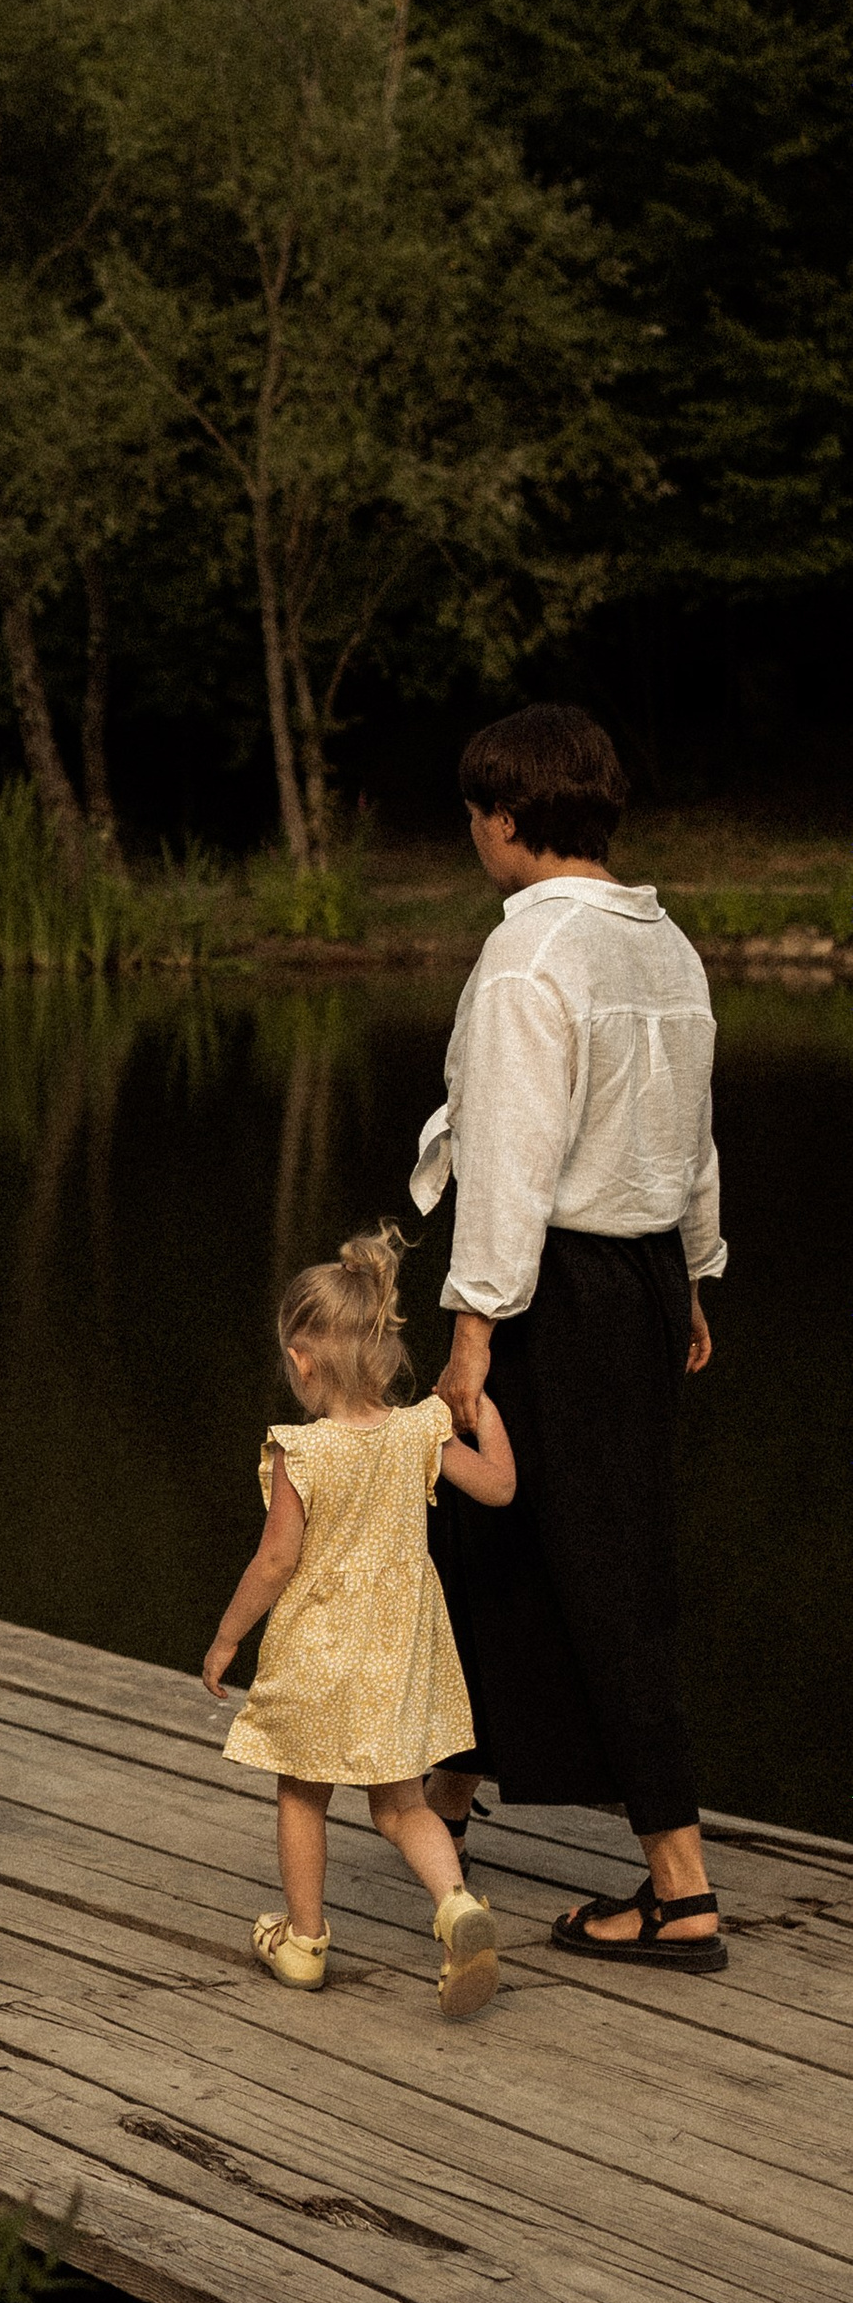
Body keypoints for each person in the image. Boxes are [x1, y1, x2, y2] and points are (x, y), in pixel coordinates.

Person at [412, 705, 730, 1971]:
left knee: (594, 1574)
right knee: (481, 1543)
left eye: (471, 819)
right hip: (641, 1277)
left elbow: (510, 1158)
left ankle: (681, 1886)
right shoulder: (667, 949)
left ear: (500, 820)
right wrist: (693, 1277)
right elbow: (691, 1136)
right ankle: (444, 1811)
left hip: (555, 1290)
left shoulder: (529, 959)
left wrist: (472, 1330)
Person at [204, 1226, 518, 2016]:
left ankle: (304, 1941)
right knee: (402, 1806)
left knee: (302, 1794)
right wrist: (482, 1411)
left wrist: (228, 1636)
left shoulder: (299, 1453)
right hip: (399, 1652)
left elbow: (275, 1563)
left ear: (302, 1359)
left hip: (320, 1650)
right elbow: (501, 1488)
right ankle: (457, 1907)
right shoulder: (421, 1431)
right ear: (382, 1355)